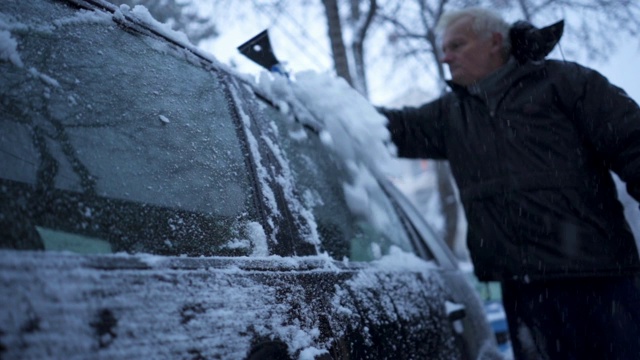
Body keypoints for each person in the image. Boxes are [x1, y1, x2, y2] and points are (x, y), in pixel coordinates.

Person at [378, 8, 640, 360]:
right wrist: (311, 102)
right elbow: (387, 128)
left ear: (494, 42)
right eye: (444, 48)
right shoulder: (451, 115)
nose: (445, 57)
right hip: (523, 295)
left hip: (600, 283)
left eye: (457, 45)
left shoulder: (566, 83)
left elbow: (633, 142)